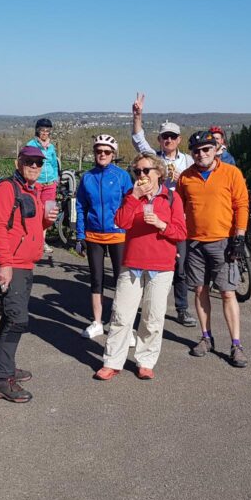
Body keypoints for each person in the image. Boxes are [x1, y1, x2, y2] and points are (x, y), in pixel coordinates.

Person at [94, 152, 187, 381]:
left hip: (161, 265)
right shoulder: (131, 195)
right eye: (137, 171)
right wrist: (134, 197)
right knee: (121, 316)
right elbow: (121, 222)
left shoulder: (171, 198)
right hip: (133, 264)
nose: (141, 175)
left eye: (146, 170)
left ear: (159, 173)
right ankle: (112, 362)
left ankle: (145, 361)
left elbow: (182, 233)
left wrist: (161, 224)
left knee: (153, 318)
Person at [0, 145, 59, 403]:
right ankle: (1, 380)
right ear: (19, 162)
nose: (34, 166)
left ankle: (5, 368)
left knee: (11, 319)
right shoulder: (7, 188)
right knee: (16, 319)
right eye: (29, 161)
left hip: (26, 264)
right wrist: (4, 264)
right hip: (13, 265)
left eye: (38, 163)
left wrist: (48, 220)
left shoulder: (32, 190)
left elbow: (34, 225)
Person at [177, 130, 250, 368]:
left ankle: (236, 344)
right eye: (196, 151)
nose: (201, 154)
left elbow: (241, 205)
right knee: (199, 291)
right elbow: (178, 209)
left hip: (224, 242)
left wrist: (239, 237)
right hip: (195, 242)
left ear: (216, 149)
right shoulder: (185, 177)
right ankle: (206, 337)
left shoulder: (231, 173)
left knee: (228, 293)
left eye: (206, 149)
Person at [130, 92, 197, 328]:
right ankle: (148, 308)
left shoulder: (188, 161)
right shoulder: (152, 158)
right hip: (151, 215)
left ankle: (182, 308)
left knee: (179, 265)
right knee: (148, 263)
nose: (168, 140)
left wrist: (182, 180)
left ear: (179, 139)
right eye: (164, 137)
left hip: (176, 216)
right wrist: (137, 116)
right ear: (159, 139)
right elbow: (138, 139)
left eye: (172, 137)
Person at [74, 134, 132, 339]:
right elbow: (80, 206)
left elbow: (130, 204)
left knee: (122, 280)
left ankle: (123, 324)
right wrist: (80, 235)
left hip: (118, 234)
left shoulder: (122, 176)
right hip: (94, 234)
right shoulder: (87, 177)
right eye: (98, 151)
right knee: (96, 280)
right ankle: (97, 322)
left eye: (107, 152)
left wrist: (128, 228)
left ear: (113, 154)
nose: (102, 154)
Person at [27, 118, 61, 253]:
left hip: (50, 183)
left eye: (47, 131)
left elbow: (53, 163)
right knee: (35, 211)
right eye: (42, 130)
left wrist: (56, 178)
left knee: (47, 213)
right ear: (37, 130)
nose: (45, 133)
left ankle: (42, 241)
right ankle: (32, 239)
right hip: (37, 182)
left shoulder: (51, 147)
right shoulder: (31, 145)